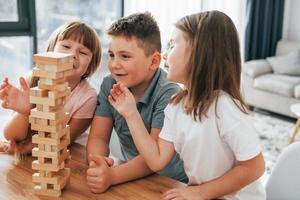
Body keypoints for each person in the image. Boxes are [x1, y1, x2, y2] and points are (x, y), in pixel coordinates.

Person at [109, 11, 266, 200]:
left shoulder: (224, 107)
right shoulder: (175, 106)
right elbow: (157, 160)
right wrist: (130, 113)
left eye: (173, 44)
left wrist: (200, 192)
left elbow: (254, 167)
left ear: (199, 52)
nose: (165, 54)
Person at [86, 12, 187, 193]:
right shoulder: (110, 83)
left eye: (125, 56)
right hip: (129, 175)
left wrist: (113, 176)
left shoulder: (169, 93)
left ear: (154, 61)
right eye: (111, 55)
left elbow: (154, 157)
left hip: (171, 182)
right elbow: (98, 138)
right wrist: (97, 164)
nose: (114, 65)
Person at [0, 21, 101, 154]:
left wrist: (25, 149)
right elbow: (10, 136)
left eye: (82, 52)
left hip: (68, 153)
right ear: (51, 50)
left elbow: (65, 139)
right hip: (30, 153)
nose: (73, 55)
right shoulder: (31, 80)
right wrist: (24, 113)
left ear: (91, 63)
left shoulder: (88, 97)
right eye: (66, 46)